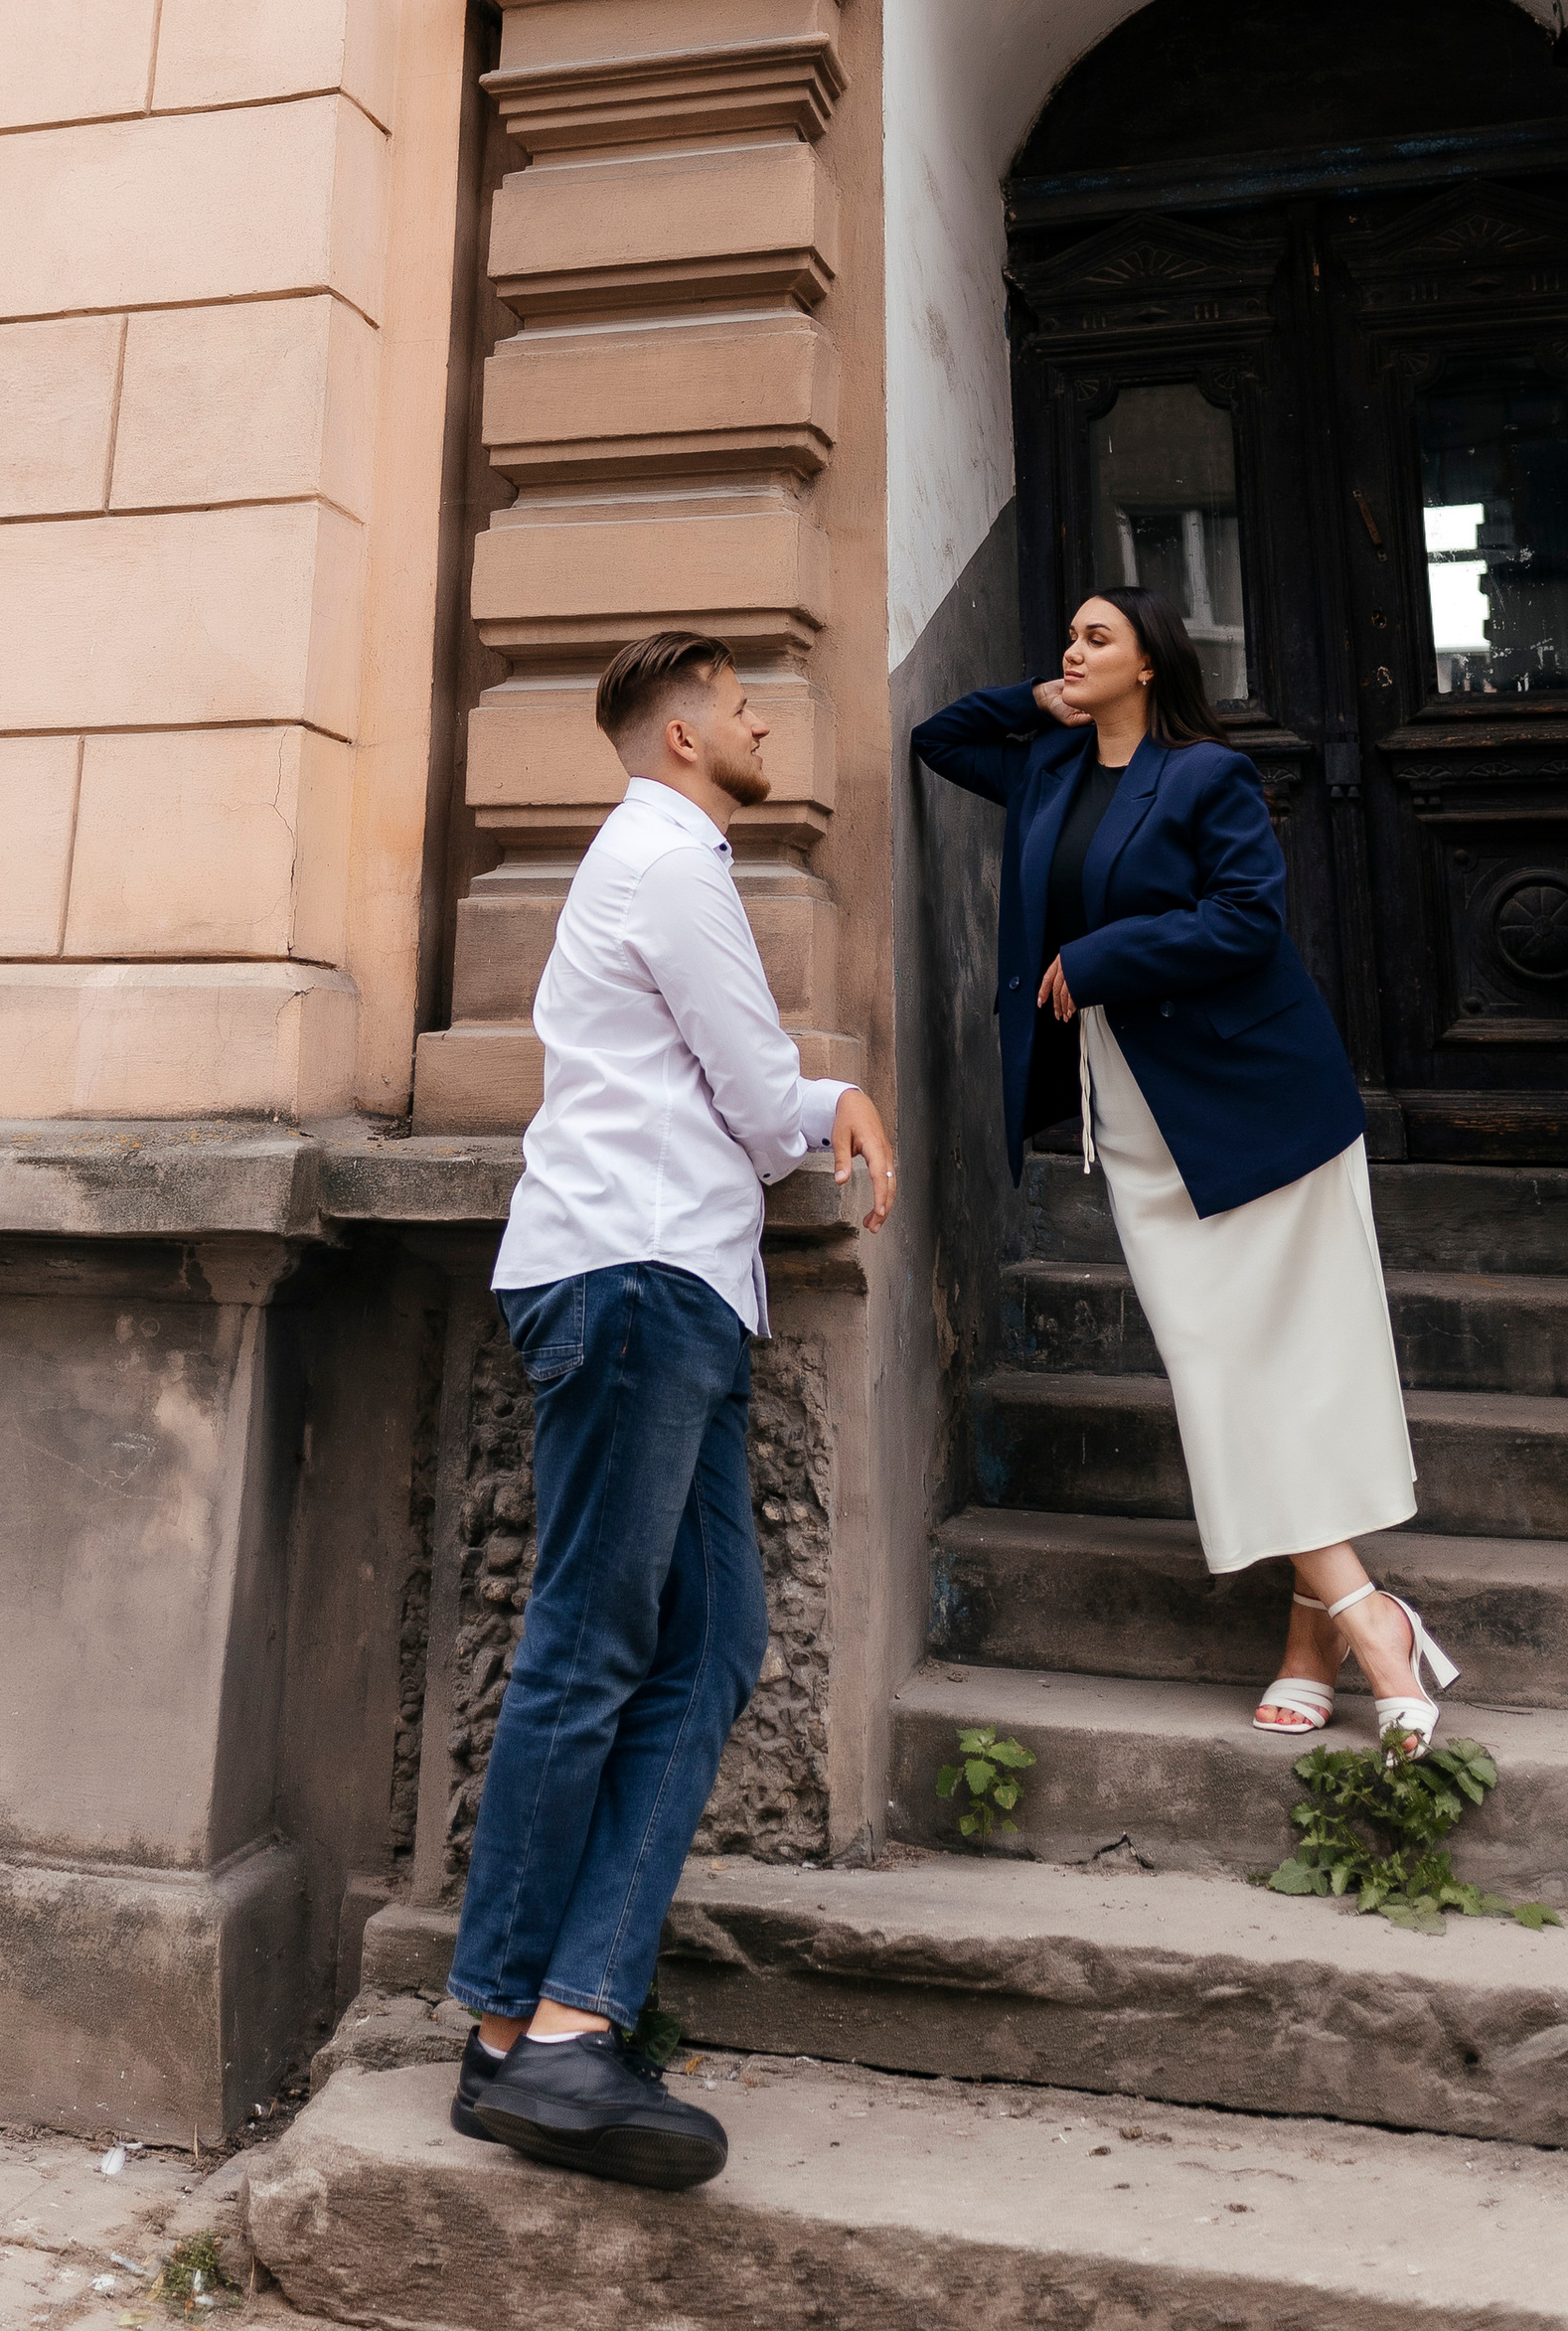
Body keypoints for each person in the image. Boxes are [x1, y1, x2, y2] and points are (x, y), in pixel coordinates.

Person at [448, 628, 897, 2190]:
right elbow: (754, 1084)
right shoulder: (669, 857)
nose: (764, 718)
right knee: (589, 1645)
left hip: (668, 1284)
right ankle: (535, 2035)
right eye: (740, 702)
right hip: (633, 1276)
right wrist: (831, 1100)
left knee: (705, 1645)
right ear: (685, 736)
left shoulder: (656, 859)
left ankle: (543, 2027)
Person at [911, 587, 1454, 1749]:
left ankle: (1350, 1630)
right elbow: (940, 737)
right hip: (1144, 1117)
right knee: (1213, 1357)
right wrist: (1037, 699)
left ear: (1152, 664)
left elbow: (1247, 919)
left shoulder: (1205, 776)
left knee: (1292, 1364)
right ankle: (1351, 1617)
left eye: (1096, 636)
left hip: (1254, 1103)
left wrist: (1105, 951)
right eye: (1066, 633)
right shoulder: (1045, 772)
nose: (1072, 646)